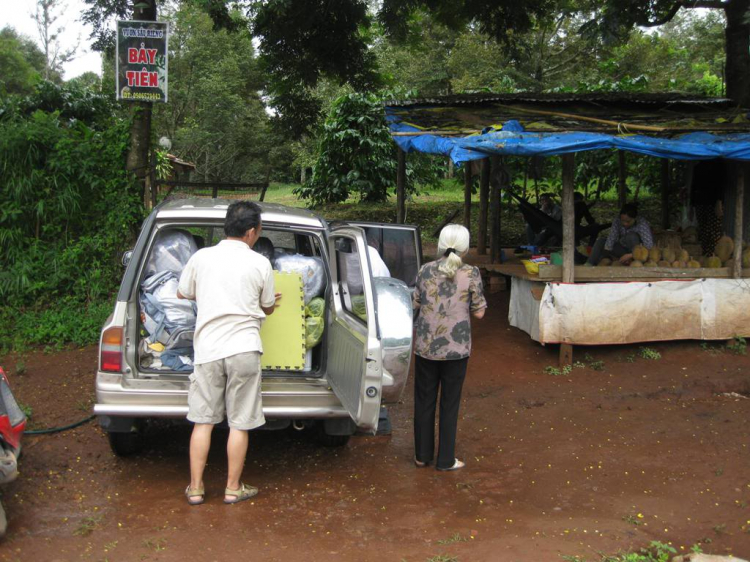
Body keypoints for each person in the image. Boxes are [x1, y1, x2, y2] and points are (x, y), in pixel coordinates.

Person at [177, 201, 280, 506]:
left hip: (208, 349)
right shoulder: (260, 264)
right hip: (244, 349)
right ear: (251, 232)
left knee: (203, 421)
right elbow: (267, 307)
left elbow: (183, 292)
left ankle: (195, 488)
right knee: (239, 423)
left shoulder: (201, 257)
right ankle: (232, 488)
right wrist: (271, 302)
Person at [412, 224, 487, 471]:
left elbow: (415, 305)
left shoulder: (425, 270)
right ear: (465, 246)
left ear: (441, 244)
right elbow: (479, 314)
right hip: (456, 348)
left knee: (424, 400)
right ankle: (445, 460)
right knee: (450, 403)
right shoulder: (471, 273)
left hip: (426, 346)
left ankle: (422, 456)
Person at [586, 203, 654, 266]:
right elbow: (611, 240)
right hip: (622, 250)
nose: (625, 224)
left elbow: (649, 246)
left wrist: (631, 255)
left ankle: (633, 261)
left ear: (635, 218)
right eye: (623, 221)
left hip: (638, 254)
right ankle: (588, 265)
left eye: (628, 221)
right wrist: (608, 256)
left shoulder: (641, 223)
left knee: (632, 236)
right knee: (601, 241)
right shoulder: (617, 220)